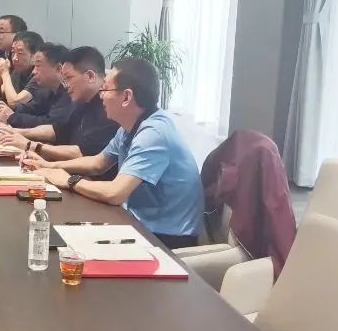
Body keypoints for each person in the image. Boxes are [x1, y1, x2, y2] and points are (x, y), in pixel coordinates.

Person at [22, 58, 204, 248]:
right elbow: (98, 163)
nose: (101, 96)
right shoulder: (129, 126)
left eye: (105, 90)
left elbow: (115, 193)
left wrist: (69, 180)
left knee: (70, 248)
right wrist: (49, 166)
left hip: (167, 238)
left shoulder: (154, 133)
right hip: (139, 222)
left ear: (126, 97)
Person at [0, 47, 119, 178]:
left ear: (90, 76)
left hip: (89, 181)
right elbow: (58, 129)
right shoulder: (82, 100)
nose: (65, 85)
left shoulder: (109, 109)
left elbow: (84, 153)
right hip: (72, 174)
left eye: (69, 78)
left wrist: (32, 146)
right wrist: (16, 133)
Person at [0, 43, 75, 128]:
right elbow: (31, 109)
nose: (34, 72)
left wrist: (12, 116)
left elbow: (50, 123)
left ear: (58, 69)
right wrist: (5, 108)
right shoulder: (47, 90)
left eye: (38, 66)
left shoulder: (70, 94)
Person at [0, 31, 42, 103]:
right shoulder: (17, 72)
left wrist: (5, 73)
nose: (14, 58)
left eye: (20, 53)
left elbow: (14, 102)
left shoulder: (40, 75)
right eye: (13, 52)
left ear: (35, 56)